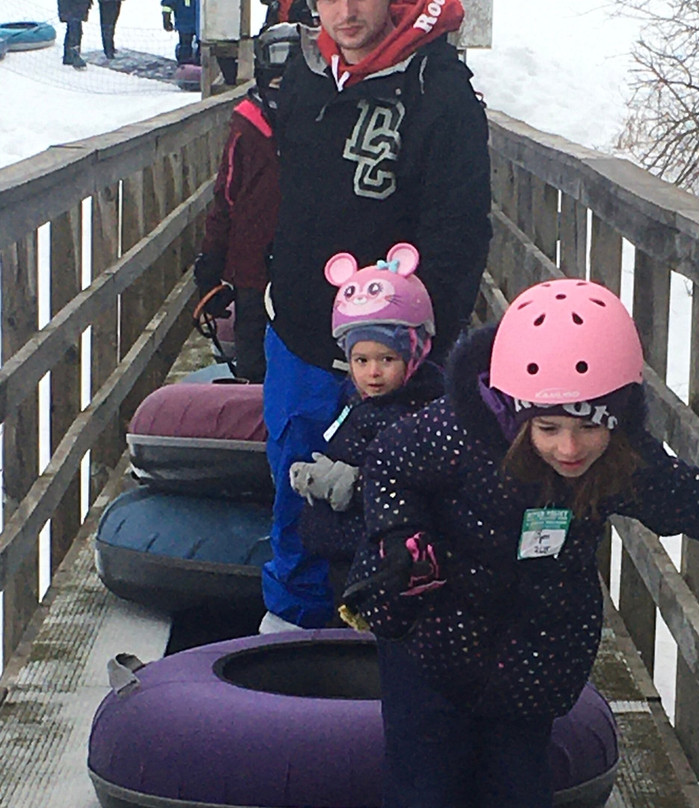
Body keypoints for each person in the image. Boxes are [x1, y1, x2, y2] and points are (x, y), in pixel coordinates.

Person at [344, 279, 699, 808]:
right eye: (547, 428)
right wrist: (400, 535)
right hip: (435, 641)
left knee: (516, 788)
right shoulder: (455, 432)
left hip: (531, 657)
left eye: (588, 429)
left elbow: (686, 496)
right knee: (425, 786)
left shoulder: (616, 459)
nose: (569, 449)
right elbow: (388, 465)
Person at [257, 0, 491, 633]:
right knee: (296, 483)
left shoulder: (438, 87)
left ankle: (400, 641)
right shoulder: (299, 71)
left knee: (403, 503)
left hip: (399, 354)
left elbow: (461, 230)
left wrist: (422, 350)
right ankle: (294, 632)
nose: (347, 10)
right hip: (303, 336)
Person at [288, 243, 444, 607]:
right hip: (345, 550)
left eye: (387, 358)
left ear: (414, 354)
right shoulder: (356, 398)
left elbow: (413, 486)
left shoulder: (418, 415)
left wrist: (344, 483)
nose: (372, 372)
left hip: (379, 557)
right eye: (361, 359)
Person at [194, 23, 300, 384]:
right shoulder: (246, 127)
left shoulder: (320, 120)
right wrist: (212, 260)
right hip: (253, 268)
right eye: (276, 82)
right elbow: (226, 197)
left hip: (304, 266)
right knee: (254, 360)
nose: (282, 92)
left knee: (299, 354)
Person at [161, 0, 198, 65]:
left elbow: (167, 5)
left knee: (186, 47)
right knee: (189, 48)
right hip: (200, 25)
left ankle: (185, 67)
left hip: (185, 24)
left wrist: (166, 20)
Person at [58, 0, 91, 69]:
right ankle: (74, 55)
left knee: (73, 29)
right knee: (75, 30)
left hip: (76, 7)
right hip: (73, 7)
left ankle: (68, 56)